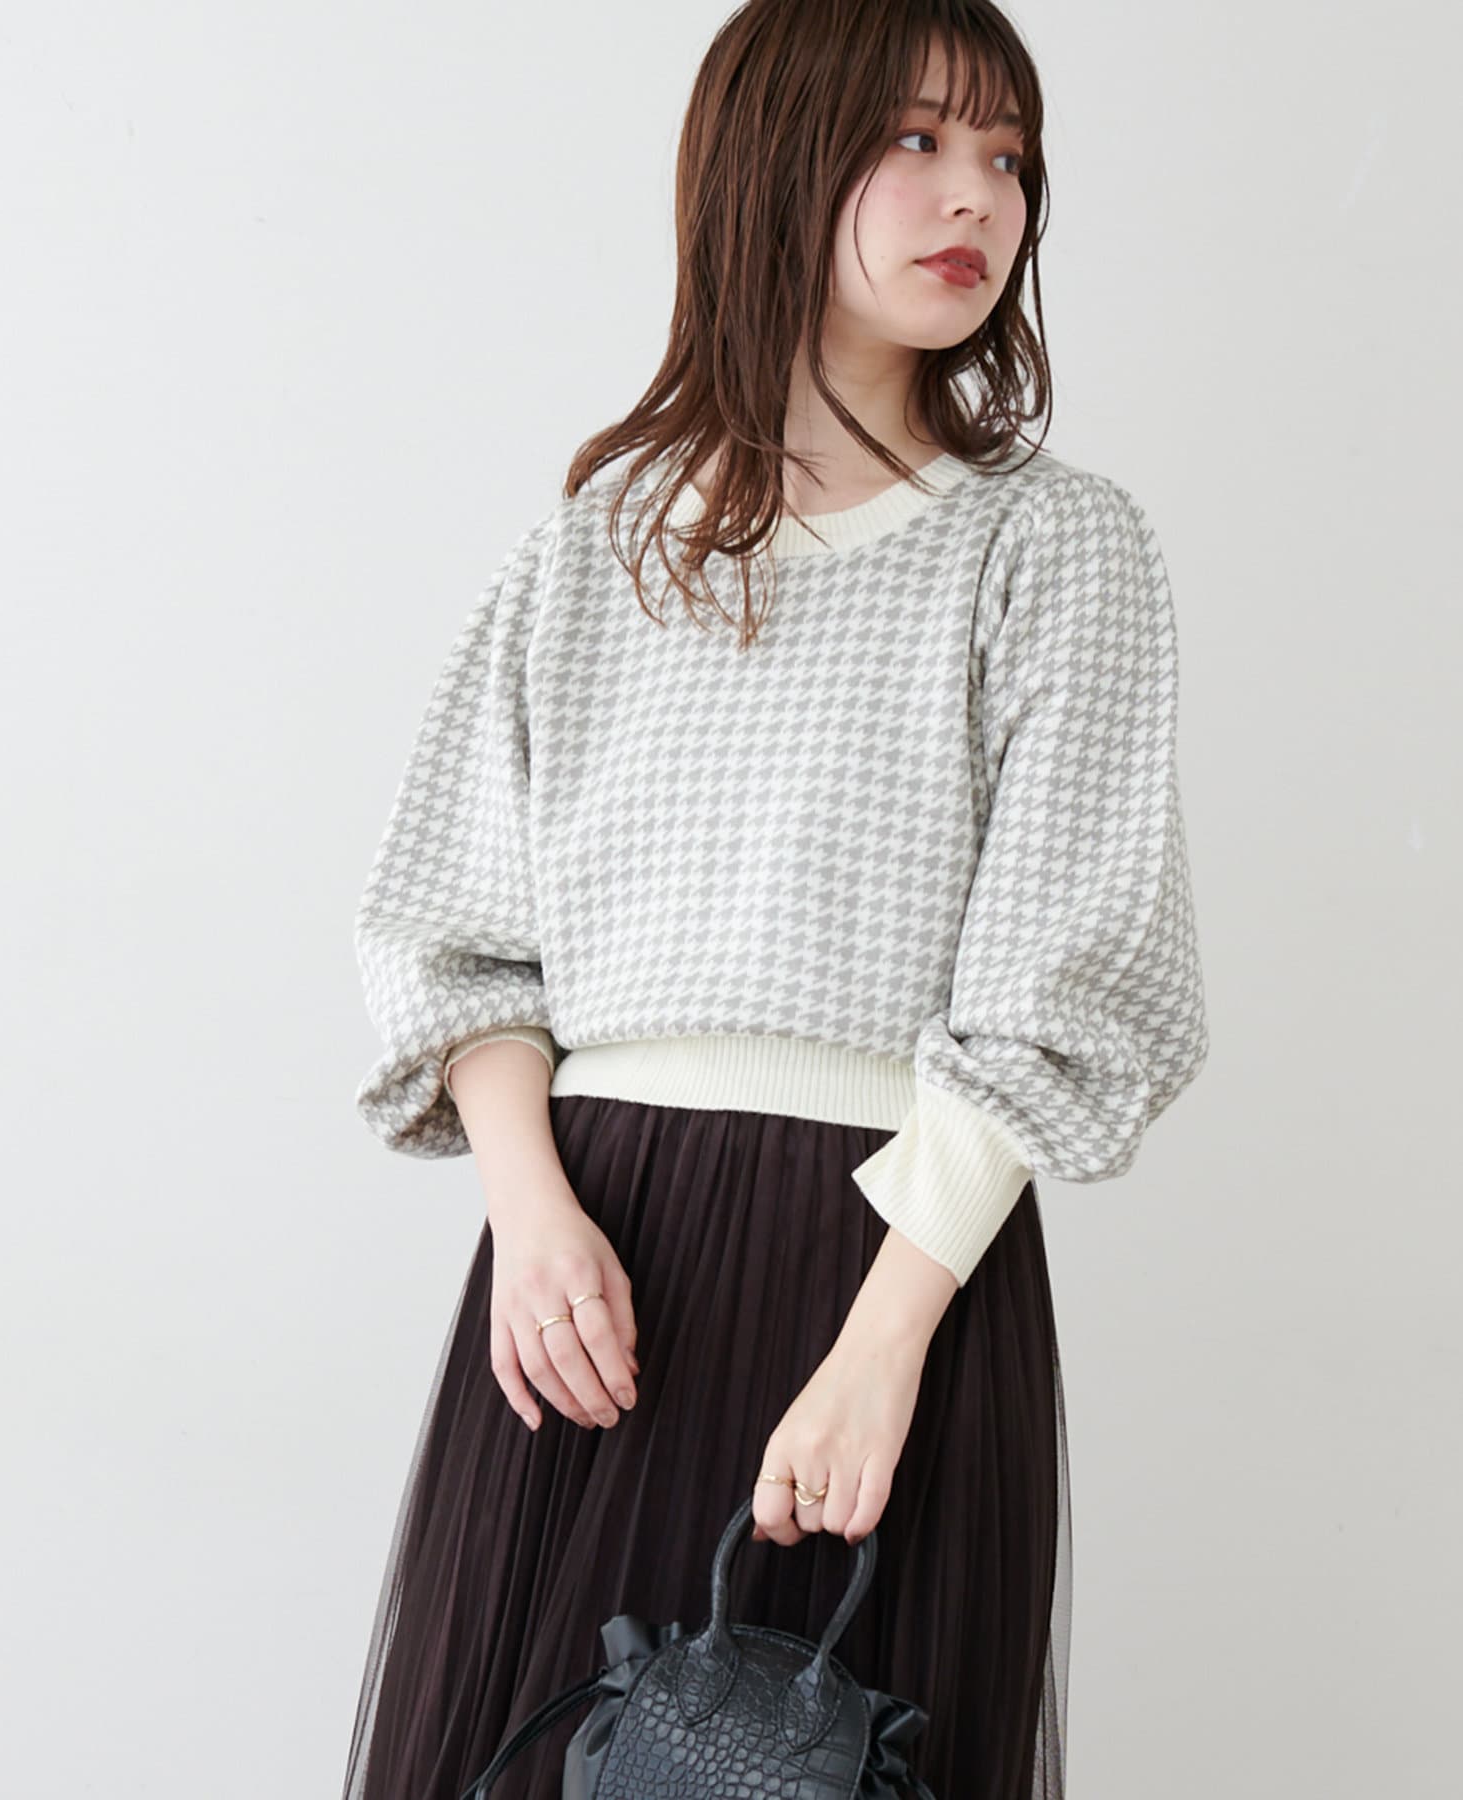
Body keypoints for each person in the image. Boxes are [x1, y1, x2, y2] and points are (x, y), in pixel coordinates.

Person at [340, 3, 1210, 1796]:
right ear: (775, 161)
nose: (977, 197)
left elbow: (1063, 986)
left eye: (1008, 155)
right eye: (916, 140)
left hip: (886, 1255)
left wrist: (885, 1345)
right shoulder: (601, 540)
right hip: (593, 1265)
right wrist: (530, 1210)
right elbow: (455, 931)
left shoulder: (1051, 545)